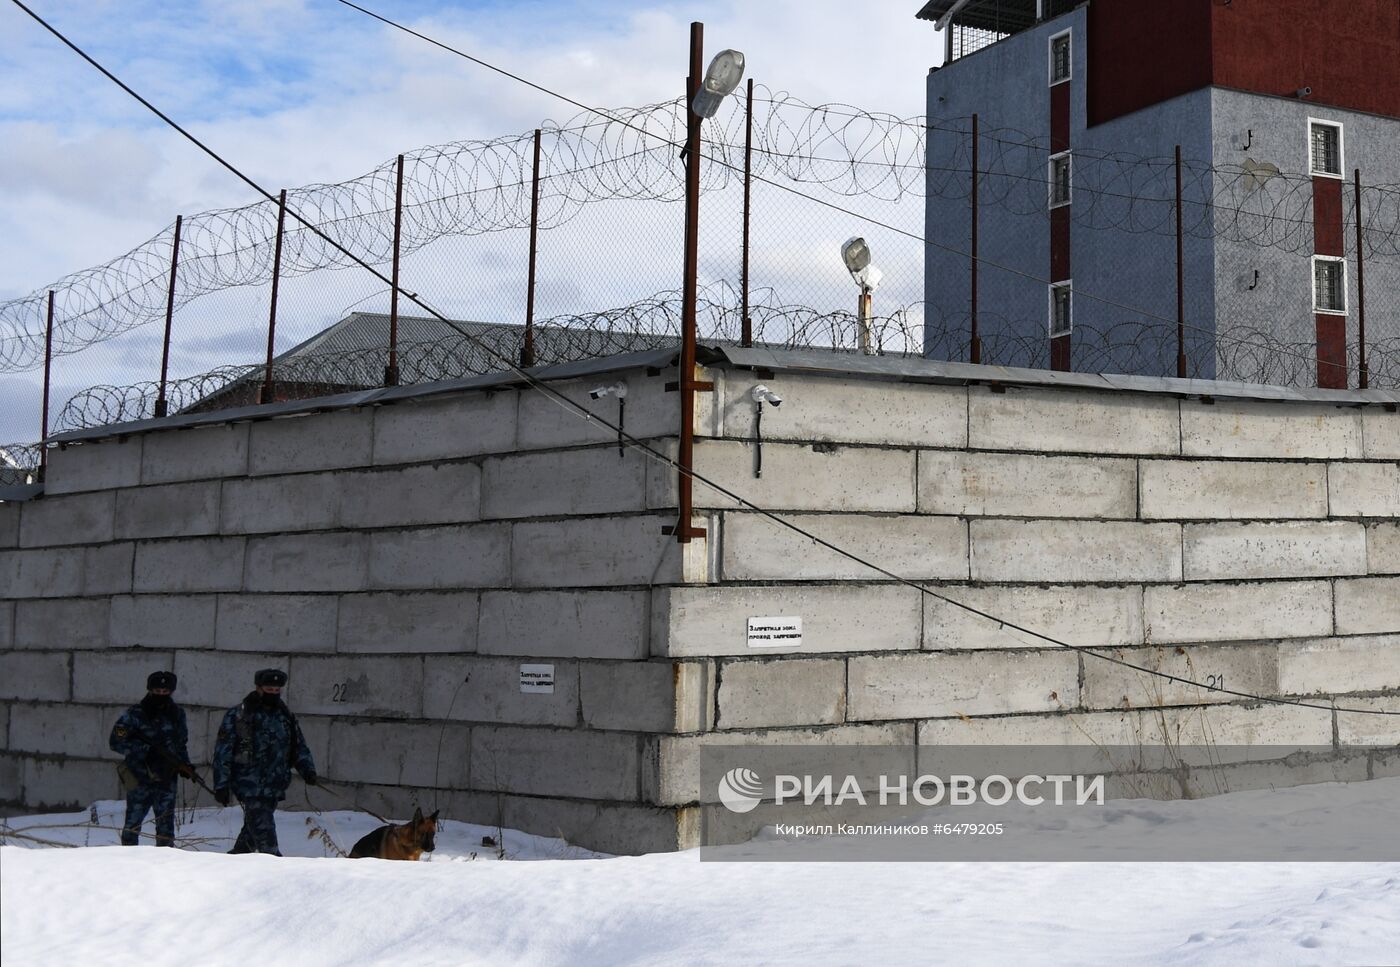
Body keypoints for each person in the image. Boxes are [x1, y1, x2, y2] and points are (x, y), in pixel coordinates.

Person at [212, 668, 318, 856]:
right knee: (265, 832)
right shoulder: (240, 715)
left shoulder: (285, 716)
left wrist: (307, 769)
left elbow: (298, 745)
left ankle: (234, 861)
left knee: (251, 833)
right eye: (269, 689)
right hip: (249, 784)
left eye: (277, 690)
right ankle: (276, 866)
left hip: (274, 784)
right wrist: (221, 784)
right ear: (258, 688)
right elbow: (223, 752)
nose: (273, 693)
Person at [108, 671, 195, 847]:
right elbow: (115, 742)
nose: (161, 695)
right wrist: (144, 750)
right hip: (140, 777)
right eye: (157, 691)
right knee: (132, 826)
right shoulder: (135, 714)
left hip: (166, 778)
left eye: (165, 692)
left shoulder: (177, 714)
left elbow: (180, 744)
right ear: (150, 690)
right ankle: (127, 863)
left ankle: (165, 865)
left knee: (166, 829)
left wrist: (184, 764)